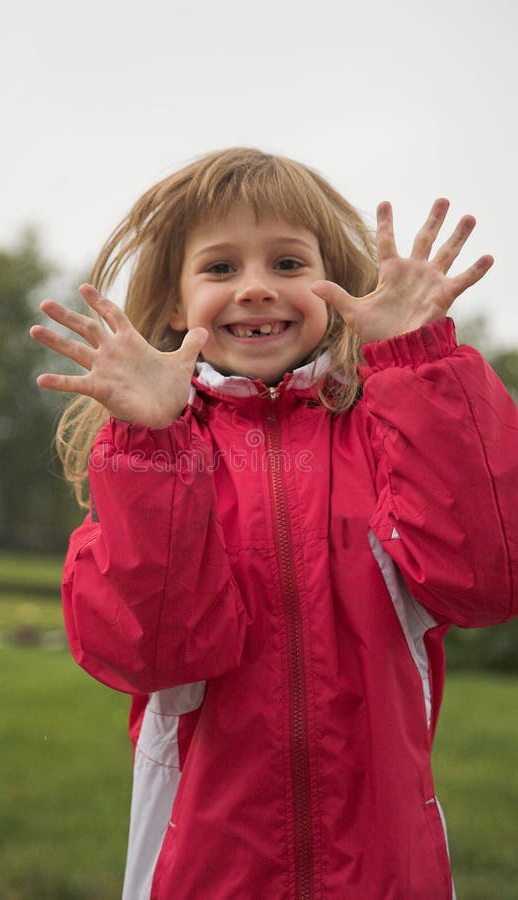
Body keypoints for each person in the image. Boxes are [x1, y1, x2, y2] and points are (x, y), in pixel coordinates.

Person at [30, 148, 518, 900]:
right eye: (219, 269)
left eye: (288, 263)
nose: (255, 288)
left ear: (335, 288)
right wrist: (153, 446)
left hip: (389, 871)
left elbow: (487, 583)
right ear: (171, 304)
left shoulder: (388, 429)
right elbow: (151, 653)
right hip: (201, 871)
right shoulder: (155, 457)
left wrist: (418, 364)